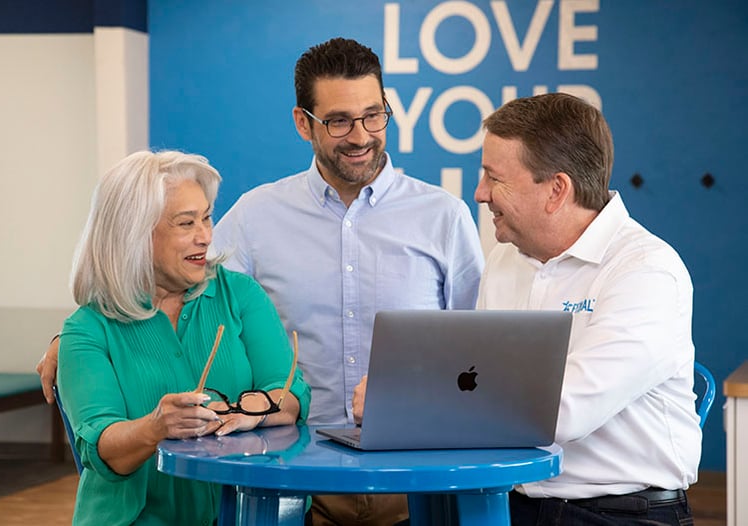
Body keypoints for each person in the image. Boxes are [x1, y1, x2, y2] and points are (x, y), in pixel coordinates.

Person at [38, 37, 484, 525]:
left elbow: (474, 349)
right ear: (303, 123)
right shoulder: (256, 216)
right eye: (338, 121)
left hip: (416, 484)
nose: (360, 135)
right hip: (296, 492)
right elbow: (171, 278)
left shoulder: (444, 216)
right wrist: (75, 338)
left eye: (374, 115)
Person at [474, 93, 701, 525]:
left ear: (557, 190)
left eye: (493, 177)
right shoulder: (505, 259)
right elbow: (479, 379)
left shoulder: (647, 271)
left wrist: (422, 407)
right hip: (512, 505)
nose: (480, 193)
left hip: (622, 514)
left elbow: (560, 411)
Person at [57, 150, 310, 525]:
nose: (205, 236)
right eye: (186, 223)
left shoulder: (240, 294)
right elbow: (103, 447)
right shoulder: (87, 328)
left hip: (249, 513)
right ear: (135, 233)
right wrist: (155, 427)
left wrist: (253, 411)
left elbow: (292, 394)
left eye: (206, 218)